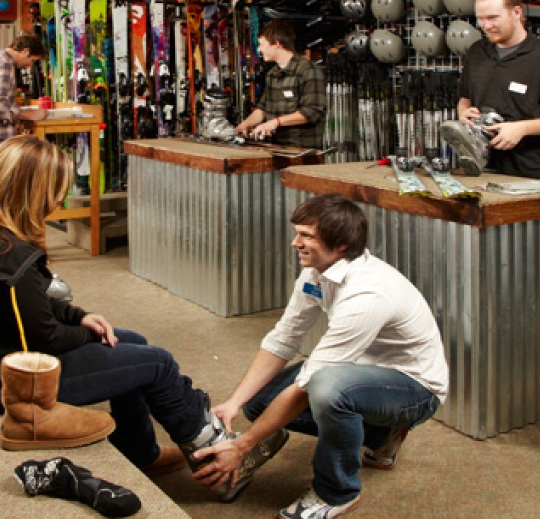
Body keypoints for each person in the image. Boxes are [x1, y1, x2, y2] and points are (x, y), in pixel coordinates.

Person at [0, 135, 286, 495]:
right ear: (31, 191)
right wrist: (89, 333)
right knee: (157, 363)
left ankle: (142, 452)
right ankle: (214, 456)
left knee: (133, 344)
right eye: (56, 190)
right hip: (13, 383)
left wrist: (78, 316)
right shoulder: (10, 257)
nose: (60, 198)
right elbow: (46, 337)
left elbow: (27, 307)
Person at [192, 194, 449, 519]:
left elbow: (309, 385)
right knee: (258, 402)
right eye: (297, 233)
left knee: (328, 389)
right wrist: (234, 402)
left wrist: (243, 446)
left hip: (414, 387)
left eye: (306, 236)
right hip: (358, 369)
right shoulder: (317, 273)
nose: (294, 243)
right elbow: (283, 339)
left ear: (341, 245)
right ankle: (382, 435)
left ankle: (337, 493)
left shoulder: (368, 295)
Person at [446, 0, 540, 179]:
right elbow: (465, 99)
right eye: (481, 19)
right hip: (484, 166)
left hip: (531, 169)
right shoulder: (476, 52)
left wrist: (523, 128)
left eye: (493, 18)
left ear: (516, 13)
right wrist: (463, 113)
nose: (486, 26)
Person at [235, 20, 326, 148]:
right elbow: (263, 109)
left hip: (302, 149)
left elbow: (312, 111)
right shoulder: (272, 74)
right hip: (276, 147)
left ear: (277, 44)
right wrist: (244, 125)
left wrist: (275, 122)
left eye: (261, 44)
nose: (259, 50)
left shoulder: (308, 71)